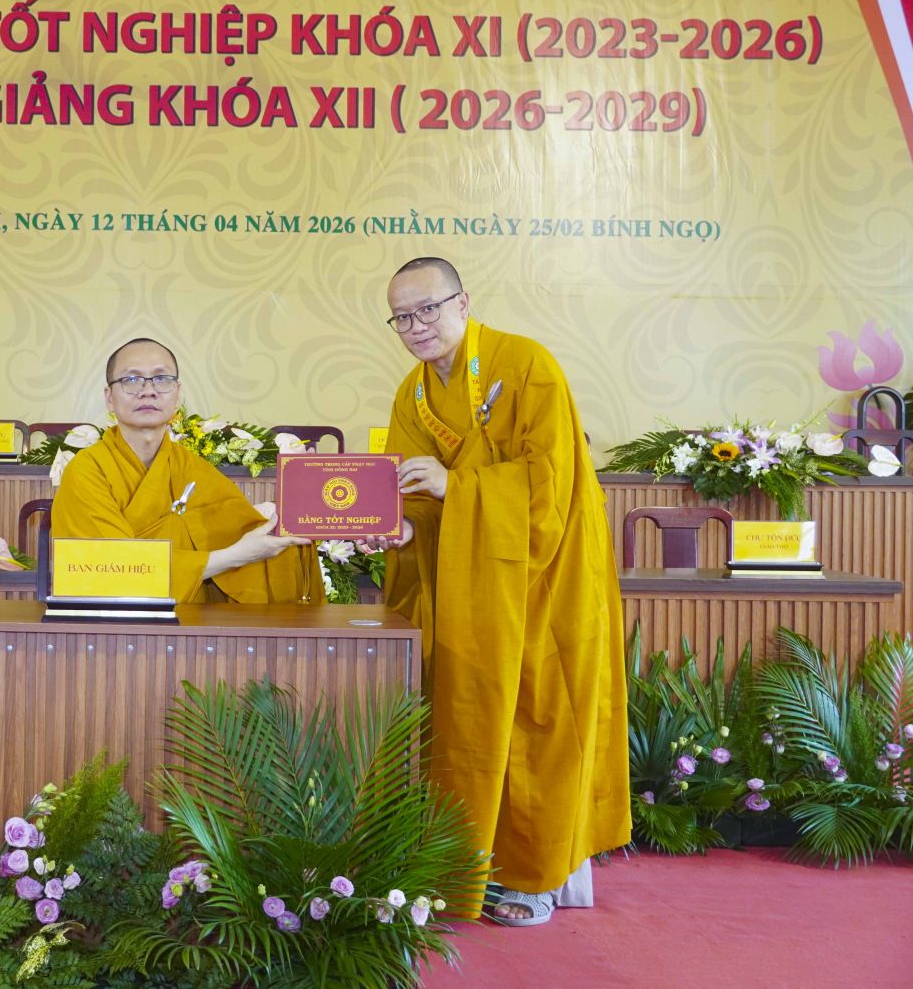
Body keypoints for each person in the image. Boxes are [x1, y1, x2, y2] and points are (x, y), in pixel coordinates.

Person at [369, 257, 630, 926]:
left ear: (463, 302)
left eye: (428, 308)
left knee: (538, 715)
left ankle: (533, 875)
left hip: (544, 576)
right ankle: (466, 866)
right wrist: (401, 526)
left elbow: (552, 483)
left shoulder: (527, 364)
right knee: (465, 717)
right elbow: (416, 495)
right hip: (465, 581)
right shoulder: (413, 394)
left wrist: (457, 487)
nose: (416, 325)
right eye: (401, 316)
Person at [51, 338, 322, 603]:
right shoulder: (87, 470)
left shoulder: (192, 469)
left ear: (177, 394)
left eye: (161, 378)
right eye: (131, 379)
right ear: (109, 397)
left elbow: (248, 533)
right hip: (115, 627)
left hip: (194, 624)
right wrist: (232, 557)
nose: (148, 390)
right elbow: (108, 568)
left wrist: (302, 507)